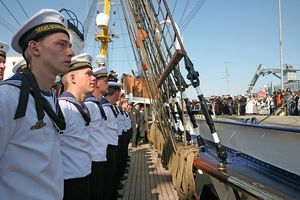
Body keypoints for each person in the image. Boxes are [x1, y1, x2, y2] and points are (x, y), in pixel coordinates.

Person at [0, 9, 73, 199]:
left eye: (70, 46)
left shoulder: (48, 98)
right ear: (35, 48)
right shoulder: (7, 98)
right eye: (61, 45)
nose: (71, 52)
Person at [59, 53, 96, 200]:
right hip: (69, 181)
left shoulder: (81, 107)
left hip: (83, 174)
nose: (93, 78)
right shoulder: (62, 107)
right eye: (88, 74)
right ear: (72, 78)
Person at [85, 66, 109, 200]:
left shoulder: (96, 105)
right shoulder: (89, 105)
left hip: (99, 157)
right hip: (93, 160)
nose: (108, 85)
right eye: (105, 81)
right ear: (97, 84)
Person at [100, 73, 123, 199]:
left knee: (111, 176)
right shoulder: (104, 108)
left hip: (112, 146)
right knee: (108, 179)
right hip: (107, 148)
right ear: (116, 93)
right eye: (120, 92)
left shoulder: (109, 108)